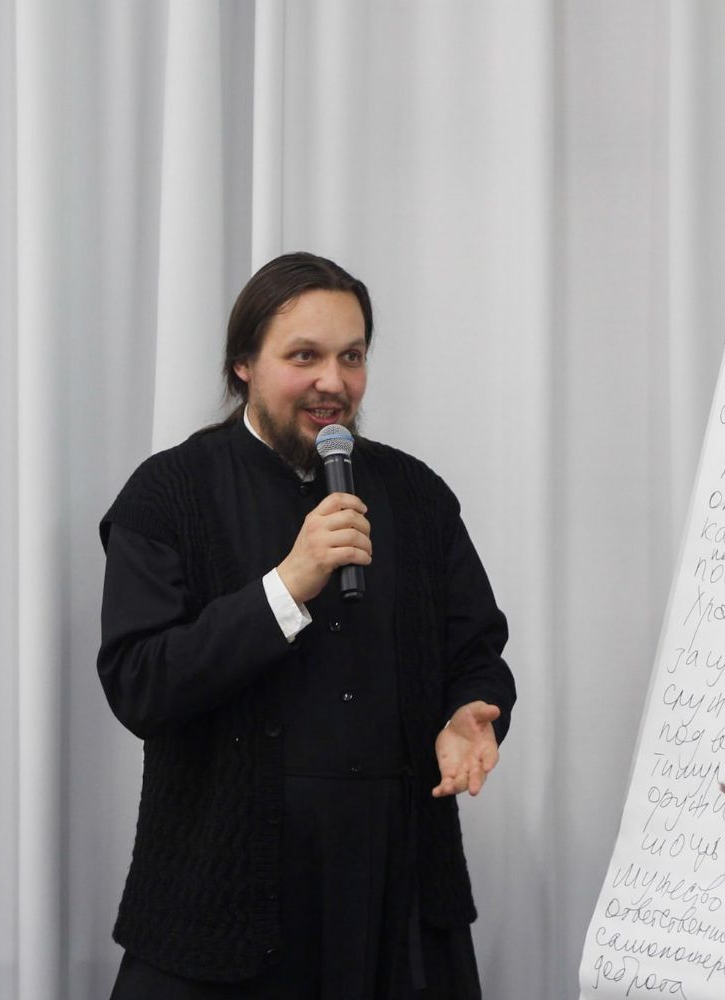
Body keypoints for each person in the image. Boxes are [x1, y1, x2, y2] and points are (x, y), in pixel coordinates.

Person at [97, 251, 517, 999]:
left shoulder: (416, 494)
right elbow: (140, 684)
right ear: (242, 365)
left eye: (351, 357)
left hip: (395, 889)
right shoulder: (167, 493)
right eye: (305, 357)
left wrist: (472, 710)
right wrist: (287, 586)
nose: (334, 382)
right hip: (223, 902)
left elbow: (476, 650)